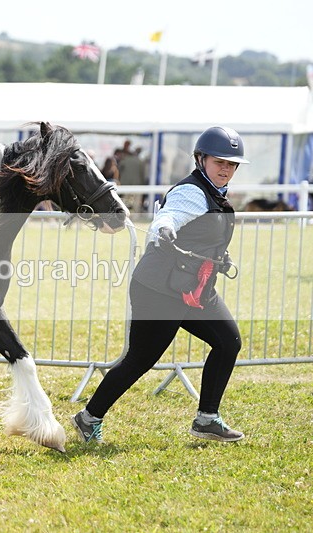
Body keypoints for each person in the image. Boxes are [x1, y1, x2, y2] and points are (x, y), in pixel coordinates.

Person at [73, 126, 248, 444]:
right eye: (219, 162)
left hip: (194, 288)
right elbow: (168, 217)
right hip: (159, 289)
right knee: (140, 360)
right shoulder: (191, 192)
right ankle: (89, 418)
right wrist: (164, 230)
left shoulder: (215, 194)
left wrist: (218, 256)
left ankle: (207, 419)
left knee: (228, 342)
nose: (225, 169)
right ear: (200, 159)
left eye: (231, 164)